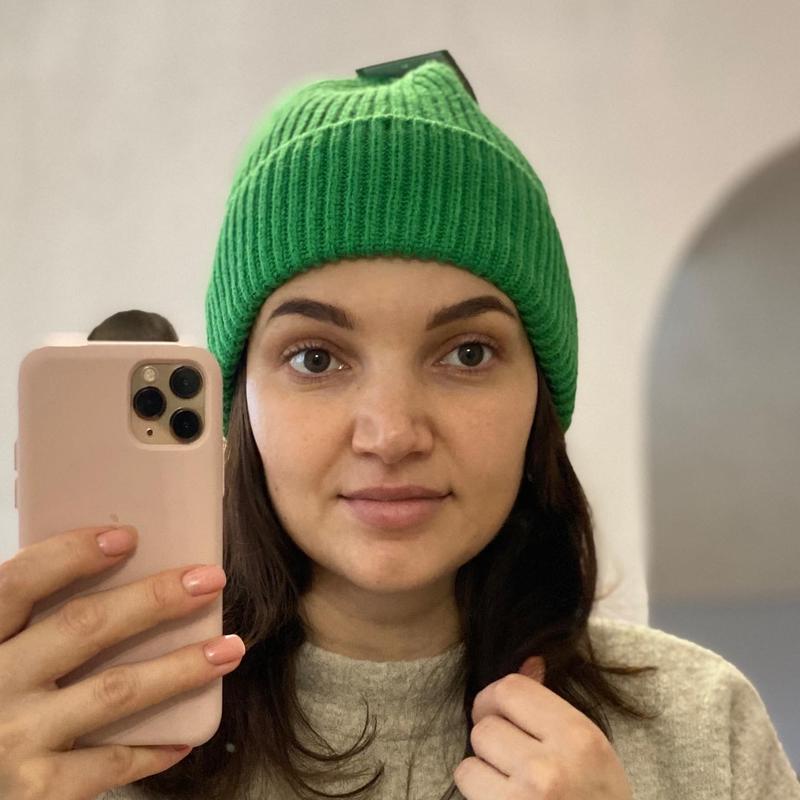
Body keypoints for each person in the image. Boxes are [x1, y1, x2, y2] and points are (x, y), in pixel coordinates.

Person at [1, 57, 797, 800]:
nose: (390, 434)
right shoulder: (69, 732)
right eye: (315, 358)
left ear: (541, 399)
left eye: (467, 353)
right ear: (239, 405)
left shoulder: (703, 730)